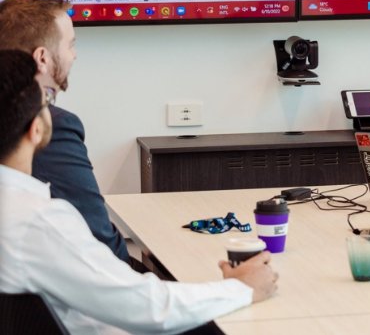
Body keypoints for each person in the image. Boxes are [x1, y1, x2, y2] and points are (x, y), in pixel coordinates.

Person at [0, 49, 279, 333]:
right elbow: (147, 307)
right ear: (36, 129)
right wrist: (241, 287)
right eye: (46, 97)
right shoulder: (38, 222)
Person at [0, 0, 132, 262]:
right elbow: (100, 241)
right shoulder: (51, 125)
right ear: (43, 59)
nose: (74, 55)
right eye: (70, 44)